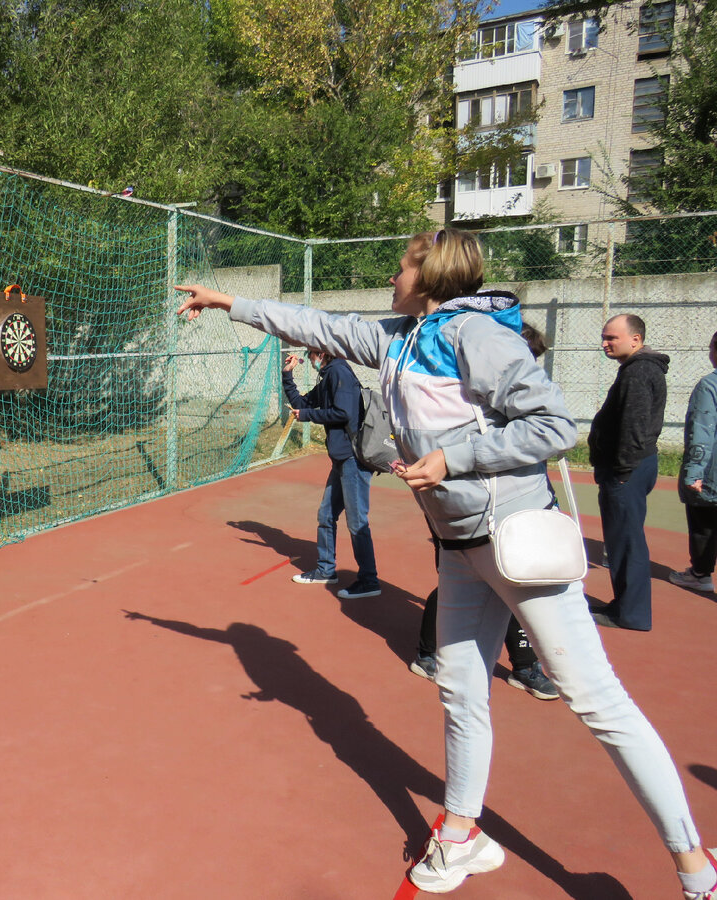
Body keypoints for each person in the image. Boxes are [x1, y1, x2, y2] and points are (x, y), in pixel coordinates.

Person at [175, 227, 716, 897]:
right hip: (461, 549)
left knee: (597, 700)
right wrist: (230, 302)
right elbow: (318, 322)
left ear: (429, 275)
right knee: (461, 692)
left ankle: (695, 867)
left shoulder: (476, 337)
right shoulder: (398, 338)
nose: (393, 276)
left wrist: (454, 458)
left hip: (515, 539)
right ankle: (462, 836)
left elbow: (552, 426)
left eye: (401, 265)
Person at [411, 321, 559, 701]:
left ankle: (525, 665)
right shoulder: (468, 390)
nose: (526, 368)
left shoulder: (523, 393)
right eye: (522, 359)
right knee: (458, 580)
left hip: (513, 505)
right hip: (463, 508)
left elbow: (546, 433)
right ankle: (429, 653)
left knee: (518, 579)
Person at [588, 313, 669, 631]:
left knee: (626, 541)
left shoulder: (638, 372)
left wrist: (621, 470)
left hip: (628, 470)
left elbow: (634, 427)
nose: (605, 343)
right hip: (634, 467)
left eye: (612, 338)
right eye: (604, 337)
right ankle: (624, 604)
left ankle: (631, 614)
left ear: (635, 339)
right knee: (622, 539)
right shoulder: (638, 369)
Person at [282, 348, 380, 598]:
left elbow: (343, 412)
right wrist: (287, 377)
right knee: (326, 514)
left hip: (352, 458)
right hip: (340, 457)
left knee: (357, 521)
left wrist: (307, 416)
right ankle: (326, 570)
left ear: (322, 353)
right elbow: (302, 403)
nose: (309, 358)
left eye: (310, 353)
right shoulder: (327, 375)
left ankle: (369, 580)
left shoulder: (339, 372)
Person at [671, 331, 717, 592]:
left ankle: (700, 573)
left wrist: (694, 472)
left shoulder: (709, 385)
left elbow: (702, 430)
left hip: (711, 471)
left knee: (703, 521)